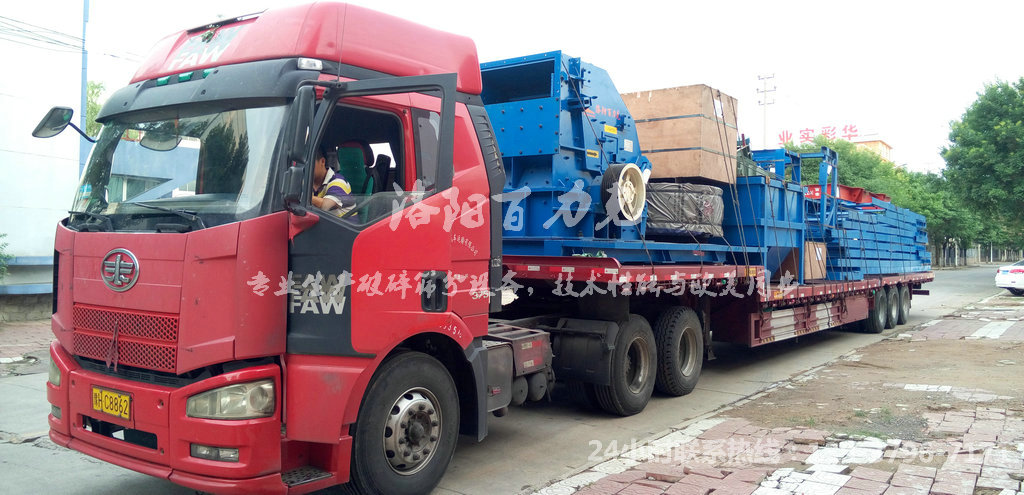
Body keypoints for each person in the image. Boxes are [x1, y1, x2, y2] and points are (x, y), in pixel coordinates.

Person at [311, 145, 354, 215]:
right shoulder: (307, 183)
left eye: (310, 163)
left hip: (342, 222)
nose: (305, 168)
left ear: (322, 161)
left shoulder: (338, 181)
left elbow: (326, 205)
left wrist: (300, 197)